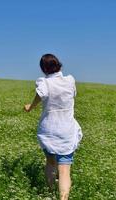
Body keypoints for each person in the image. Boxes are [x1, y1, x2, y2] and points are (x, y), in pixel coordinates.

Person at [24, 54, 83, 200]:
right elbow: (72, 95)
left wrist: (30, 107)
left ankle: (50, 193)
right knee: (64, 171)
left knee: (50, 163)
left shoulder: (44, 83)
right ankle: (63, 198)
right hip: (66, 130)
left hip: (49, 129)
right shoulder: (70, 80)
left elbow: (39, 96)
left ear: (43, 69)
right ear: (59, 65)